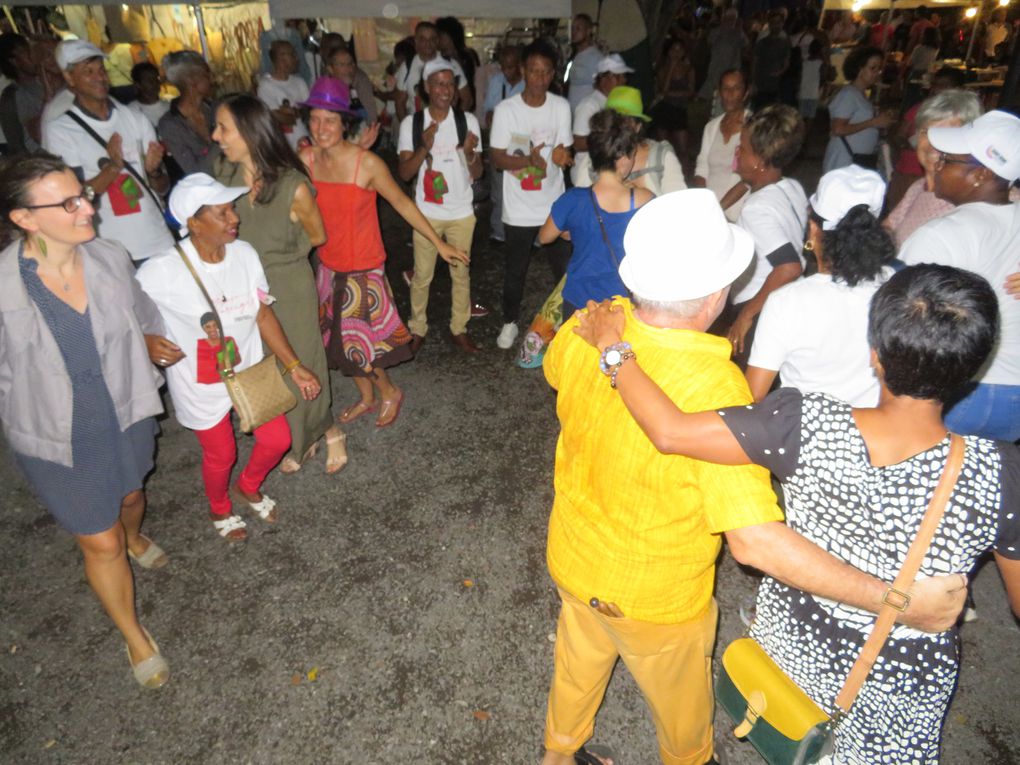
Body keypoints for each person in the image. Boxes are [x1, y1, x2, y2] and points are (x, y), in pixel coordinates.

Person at [540, 189, 968, 765]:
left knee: (578, 656)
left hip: (574, 554)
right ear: (720, 294)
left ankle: (558, 755)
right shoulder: (715, 389)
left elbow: (552, 371)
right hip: (653, 595)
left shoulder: (591, 325)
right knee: (683, 713)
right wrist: (897, 601)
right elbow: (753, 540)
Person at [0, 153, 170, 688]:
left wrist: (149, 339)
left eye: (84, 194)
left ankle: (135, 536)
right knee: (100, 540)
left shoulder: (109, 257)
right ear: (24, 218)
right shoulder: (4, 287)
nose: (87, 207)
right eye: (68, 202)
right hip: (54, 433)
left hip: (124, 409)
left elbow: (142, 312)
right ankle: (135, 637)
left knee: (129, 499)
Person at [137, 173, 322, 540]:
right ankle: (219, 507)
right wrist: (145, 341)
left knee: (277, 440)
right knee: (221, 454)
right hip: (200, 380)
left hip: (249, 371)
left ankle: (248, 486)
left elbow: (262, 313)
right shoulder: (162, 270)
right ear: (194, 224)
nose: (234, 218)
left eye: (231, 209)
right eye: (222, 213)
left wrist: (294, 366)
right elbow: (118, 314)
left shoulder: (245, 254)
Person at [298, 78, 466, 426]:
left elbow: (403, 203)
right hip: (329, 266)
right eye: (314, 119)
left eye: (330, 120)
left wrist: (439, 243)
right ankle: (367, 396)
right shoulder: (307, 159)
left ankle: (389, 391)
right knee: (335, 340)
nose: (321, 127)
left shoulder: (367, 164)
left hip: (362, 269)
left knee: (357, 346)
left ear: (344, 123)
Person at [212, 94, 343, 473]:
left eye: (224, 128)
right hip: (241, 285)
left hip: (287, 283)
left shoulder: (292, 186)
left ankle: (329, 429)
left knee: (302, 359)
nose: (216, 135)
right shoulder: (224, 176)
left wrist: (281, 256)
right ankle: (300, 436)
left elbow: (317, 236)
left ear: (250, 133)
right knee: (269, 362)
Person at [899, 110, 1020, 441]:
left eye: (947, 160)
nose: (936, 164)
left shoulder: (941, 235)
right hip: (1014, 401)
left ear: (980, 174)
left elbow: (898, 323)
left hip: (959, 393)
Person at [747, 165, 895, 406]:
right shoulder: (896, 285)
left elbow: (753, 394)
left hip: (805, 434)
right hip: (875, 432)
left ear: (814, 229)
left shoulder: (787, 301)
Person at [42, 40, 172, 266]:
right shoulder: (61, 131)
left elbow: (162, 188)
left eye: (101, 70)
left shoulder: (134, 118)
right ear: (70, 78)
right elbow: (73, 201)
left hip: (158, 241)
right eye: (88, 72)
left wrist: (154, 172)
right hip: (111, 254)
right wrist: (113, 167)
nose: (99, 77)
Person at [489, 39, 573, 351]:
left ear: (553, 74)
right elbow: (497, 158)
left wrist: (563, 156)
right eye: (534, 71)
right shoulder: (506, 110)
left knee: (564, 269)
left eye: (546, 72)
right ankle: (510, 321)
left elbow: (563, 147)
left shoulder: (561, 107)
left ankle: (567, 323)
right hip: (519, 207)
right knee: (516, 270)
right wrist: (529, 160)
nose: (539, 79)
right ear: (524, 71)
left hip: (553, 203)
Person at [397, 59, 483, 354]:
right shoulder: (413, 123)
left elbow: (478, 173)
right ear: (426, 88)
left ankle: (459, 327)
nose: (445, 90)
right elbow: (405, 173)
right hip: (426, 213)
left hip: (461, 212)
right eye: (439, 83)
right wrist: (424, 146)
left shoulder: (467, 121)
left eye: (450, 83)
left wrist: (471, 153)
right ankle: (417, 327)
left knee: (461, 274)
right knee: (422, 276)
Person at [540, 109, 652, 317]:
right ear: (623, 158)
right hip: (624, 307)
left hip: (579, 303)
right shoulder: (645, 199)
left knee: (578, 350)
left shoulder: (572, 199)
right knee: (621, 351)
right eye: (633, 155)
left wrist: (570, 231)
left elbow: (545, 237)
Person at [727, 104, 808, 368]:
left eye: (744, 149)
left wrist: (746, 317)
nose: (737, 152)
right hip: (787, 302)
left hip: (759, 306)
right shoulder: (790, 186)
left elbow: (789, 266)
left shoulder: (757, 208)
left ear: (761, 162)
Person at [884, 88, 982, 247]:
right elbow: (887, 229)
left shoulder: (976, 196)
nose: (932, 144)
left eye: (945, 135)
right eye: (926, 132)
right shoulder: (918, 187)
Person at [885, 67, 968, 214]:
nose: (937, 89)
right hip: (907, 172)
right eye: (936, 84)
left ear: (958, 89)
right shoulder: (920, 109)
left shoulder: (962, 118)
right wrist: (911, 146)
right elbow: (898, 136)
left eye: (944, 86)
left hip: (936, 178)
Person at [823, 46, 894, 173]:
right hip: (844, 161)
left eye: (879, 68)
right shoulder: (849, 94)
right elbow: (838, 129)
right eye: (873, 68)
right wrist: (873, 122)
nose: (877, 73)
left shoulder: (859, 94)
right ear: (859, 69)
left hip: (856, 162)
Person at [694, 69, 750, 223]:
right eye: (725, 88)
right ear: (719, 92)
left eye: (736, 88)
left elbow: (748, 179)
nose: (730, 94)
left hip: (739, 211)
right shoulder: (711, 127)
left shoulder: (753, 127)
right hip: (711, 209)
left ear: (746, 92)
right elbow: (701, 169)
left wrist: (718, 210)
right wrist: (706, 205)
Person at [482, 44, 524, 243]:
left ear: (520, 66)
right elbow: (488, 112)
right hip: (501, 141)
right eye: (504, 67)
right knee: (499, 188)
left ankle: (525, 230)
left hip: (524, 142)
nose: (506, 72)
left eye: (511, 67)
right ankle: (499, 231)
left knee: (524, 186)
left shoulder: (528, 83)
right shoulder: (496, 81)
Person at [571, 54, 632, 187]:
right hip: (587, 176)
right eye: (617, 76)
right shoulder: (590, 105)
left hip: (606, 174)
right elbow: (577, 143)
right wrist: (608, 141)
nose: (623, 81)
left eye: (624, 76)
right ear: (603, 79)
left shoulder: (614, 104)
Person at [158, 50, 219, 176]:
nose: (212, 78)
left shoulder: (216, 108)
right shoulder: (170, 125)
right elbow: (194, 171)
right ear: (192, 81)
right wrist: (220, 141)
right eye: (207, 74)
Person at [395, 21, 471, 122]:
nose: (428, 43)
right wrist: (409, 129)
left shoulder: (451, 65)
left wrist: (455, 123)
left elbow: (467, 99)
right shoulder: (407, 67)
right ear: (416, 41)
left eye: (432, 39)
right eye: (423, 39)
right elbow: (399, 102)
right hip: (418, 128)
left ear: (437, 41)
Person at [256, 40, 310, 151]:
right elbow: (273, 116)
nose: (297, 58)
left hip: (305, 141)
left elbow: (308, 111)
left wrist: (292, 113)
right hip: (284, 148)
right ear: (281, 58)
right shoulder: (266, 85)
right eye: (292, 54)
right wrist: (295, 113)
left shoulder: (299, 82)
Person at [650, 38, 695, 165]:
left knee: (683, 149)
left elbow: (690, 92)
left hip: (679, 110)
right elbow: (663, 88)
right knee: (663, 148)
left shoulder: (688, 68)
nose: (676, 52)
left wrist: (669, 94)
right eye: (673, 49)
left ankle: (685, 175)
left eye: (679, 49)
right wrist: (671, 67)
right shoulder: (662, 68)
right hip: (664, 109)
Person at [697, 8, 746, 103]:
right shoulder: (716, 31)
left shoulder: (738, 32)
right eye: (729, 18)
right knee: (712, 85)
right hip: (717, 65)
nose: (731, 21)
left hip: (732, 66)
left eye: (733, 18)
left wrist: (740, 30)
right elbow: (709, 42)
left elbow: (745, 45)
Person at [323, 44, 378, 127]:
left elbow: (372, 117)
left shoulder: (359, 80)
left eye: (350, 63)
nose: (348, 69)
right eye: (342, 65)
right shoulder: (324, 92)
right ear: (330, 69)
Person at [751, 11, 791, 110]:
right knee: (758, 110)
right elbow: (754, 63)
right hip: (761, 84)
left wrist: (780, 72)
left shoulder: (785, 43)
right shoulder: (762, 42)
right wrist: (753, 82)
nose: (776, 25)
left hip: (776, 86)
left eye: (778, 22)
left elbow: (787, 62)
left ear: (782, 24)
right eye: (773, 22)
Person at [566, 14, 601, 112]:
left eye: (578, 29)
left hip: (587, 114)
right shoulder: (574, 55)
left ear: (588, 31)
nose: (574, 32)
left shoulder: (595, 57)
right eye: (572, 28)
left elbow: (601, 87)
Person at [127, 62, 168, 129]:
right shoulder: (130, 111)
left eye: (156, 79)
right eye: (149, 80)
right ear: (138, 85)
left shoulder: (170, 107)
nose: (155, 83)